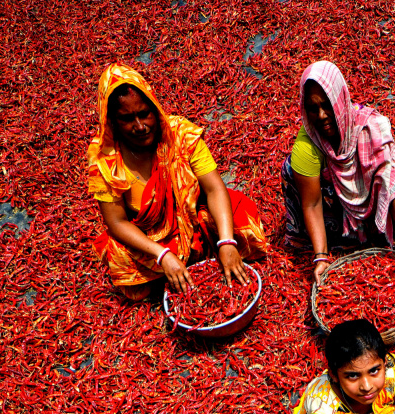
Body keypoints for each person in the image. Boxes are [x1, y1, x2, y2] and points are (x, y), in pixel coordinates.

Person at [87, 64, 268, 301]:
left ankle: (197, 255)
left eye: (144, 113)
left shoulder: (181, 135)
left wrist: (226, 241)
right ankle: (177, 263)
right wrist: (162, 255)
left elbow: (214, 188)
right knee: (120, 257)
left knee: (240, 216)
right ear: (111, 122)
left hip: (193, 220)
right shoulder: (104, 158)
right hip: (149, 238)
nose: (140, 126)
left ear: (154, 108)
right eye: (127, 119)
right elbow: (116, 222)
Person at [280, 61, 395, 283]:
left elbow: (392, 188)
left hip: (377, 201)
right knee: (291, 168)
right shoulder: (307, 145)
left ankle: (372, 229)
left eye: (327, 105)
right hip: (339, 210)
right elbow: (311, 203)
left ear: (339, 100)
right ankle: (339, 236)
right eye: (313, 108)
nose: (321, 116)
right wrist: (321, 257)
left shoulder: (367, 127)